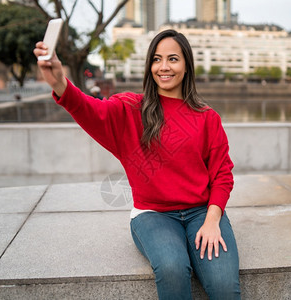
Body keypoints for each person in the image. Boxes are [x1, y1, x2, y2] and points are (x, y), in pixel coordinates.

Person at [34, 29, 241, 300]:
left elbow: (222, 174)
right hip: (153, 215)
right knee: (173, 268)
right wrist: (60, 82)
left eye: (173, 59)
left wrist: (213, 220)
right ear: (149, 66)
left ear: (187, 66)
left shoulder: (207, 117)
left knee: (225, 287)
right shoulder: (131, 108)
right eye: (156, 59)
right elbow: (90, 109)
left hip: (201, 212)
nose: (164, 66)